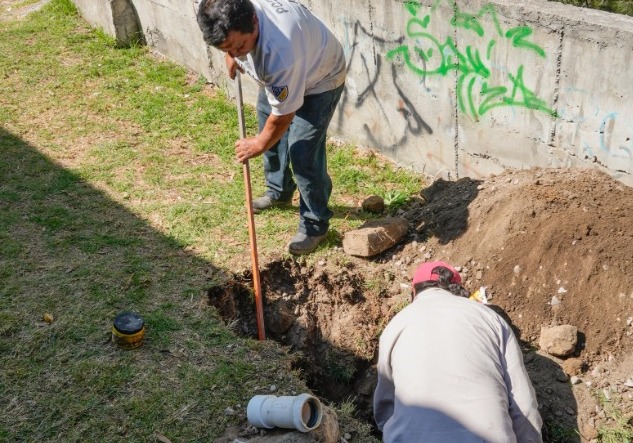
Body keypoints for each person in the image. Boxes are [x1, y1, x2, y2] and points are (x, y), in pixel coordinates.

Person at [196, 0, 346, 255]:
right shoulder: (223, 10)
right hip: (283, 73)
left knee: (303, 153)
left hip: (320, 78)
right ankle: (279, 191)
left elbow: (283, 115)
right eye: (228, 48)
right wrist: (234, 53)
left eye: (239, 46)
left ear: (254, 21)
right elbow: (274, 113)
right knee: (267, 121)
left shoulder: (280, 51)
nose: (235, 53)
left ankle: (314, 224)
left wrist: (259, 142)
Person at [373, 261, 543, 443]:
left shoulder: (396, 326)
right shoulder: (490, 318)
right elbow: (524, 406)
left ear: (413, 292)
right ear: (457, 289)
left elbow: (385, 405)